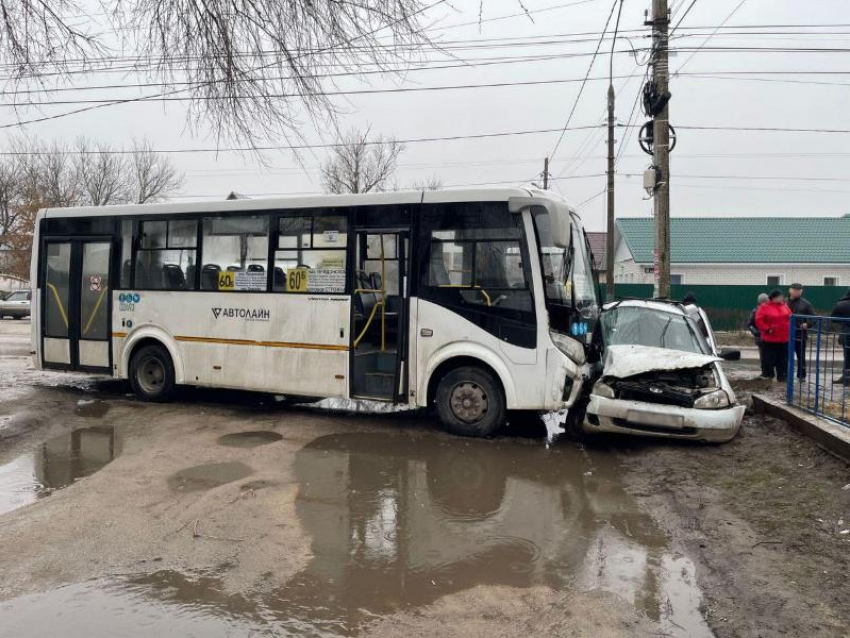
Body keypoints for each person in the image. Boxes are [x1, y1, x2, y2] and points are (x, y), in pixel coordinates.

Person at [755, 289, 792, 382]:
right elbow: (759, 320)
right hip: (770, 338)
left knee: (783, 359)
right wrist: (767, 329)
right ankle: (768, 375)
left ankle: (782, 376)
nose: (782, 298)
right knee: (769, 358)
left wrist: (790, 328)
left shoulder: (785, 306)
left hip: (784, 338)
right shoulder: (764, 307)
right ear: (774, 298)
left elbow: (790, 317)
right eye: (780, 296)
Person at [787, 283, 816, 380]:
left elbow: (814, 318)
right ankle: (784, 375)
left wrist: (807, 324)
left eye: (799, 291)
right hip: (785, 334)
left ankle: (801, 376)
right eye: (795, 290)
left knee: (800, 356)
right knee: (784, 356)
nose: (797, 292)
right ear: (790, 290)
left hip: (800, 334)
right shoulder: (783, 302)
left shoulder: (806, 304)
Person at [830, 288, 850, 385]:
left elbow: (833, 319)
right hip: (846, 333)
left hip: (846, 333)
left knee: (847, 357)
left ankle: (846, 378)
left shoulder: (841, 304)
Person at [748, 293, 771, 378]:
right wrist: (757, 333)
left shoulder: (770, 310)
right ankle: (765, 372)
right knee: (763, 355)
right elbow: (750, 324)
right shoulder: (755, 311)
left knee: (770, 355)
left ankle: (770, 372)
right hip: (760, 338)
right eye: (765, 301)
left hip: (770, 337)